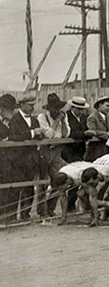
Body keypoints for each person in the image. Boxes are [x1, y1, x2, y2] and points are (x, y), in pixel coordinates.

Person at [7, 94, 45, 222]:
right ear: (22, 105)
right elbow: (13, 136)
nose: (32, 108)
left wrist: (41, 134)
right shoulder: (14, 119)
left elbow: (37, 137)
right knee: (16, 188)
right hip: (18, 159)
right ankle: (11, 216)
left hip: (32, 158)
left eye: (33, 105)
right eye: (30, 105)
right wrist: (33, 133)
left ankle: (25, 214)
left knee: (29, 187)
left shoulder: (34, 120)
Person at [37, 93, 70, 217]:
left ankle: (50, 208)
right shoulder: (42, 117)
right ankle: (41, 211)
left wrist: (62, 120)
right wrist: (57, 120)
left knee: (59, 179)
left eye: (57, 108)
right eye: (53, 108)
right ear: (49, 108)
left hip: (57, 151)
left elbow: (66, 134)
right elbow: (49, 135)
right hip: (44, 151)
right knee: (44, 183)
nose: (55, 110)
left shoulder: (63, 116)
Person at [50, 161, 96, 225]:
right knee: (80, 194)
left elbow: (92, 195)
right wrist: (63, 218)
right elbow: (63, 197)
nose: (61, 190)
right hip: (80, 173)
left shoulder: (79, 176)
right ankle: (96, 210)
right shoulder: (61, 174)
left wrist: (94, 217)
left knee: (84, 194)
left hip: (93, 173)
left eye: (61, 188)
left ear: (67, 181)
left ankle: (97, 213)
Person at [0, 94, 17, 223]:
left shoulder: (8, 122)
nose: (12, 112)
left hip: (6, 159)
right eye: (9, 109)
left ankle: (4, 217)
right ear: (2, 109)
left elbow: (9, 136)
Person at [86, 95, 109, 161]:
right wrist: (107, 134)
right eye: (107, 106)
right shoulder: (92, 117)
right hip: (96, 150)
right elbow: (92, 131)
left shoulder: (108, 117)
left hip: (108, 149)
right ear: (100, 105)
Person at [63, 96, 93, 163]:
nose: (81, 111)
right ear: (73, 107)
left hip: (81, 150)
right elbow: (68, 133)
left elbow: (86, 129)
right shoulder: (66, 116)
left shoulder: (83, 117)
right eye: (79, 109)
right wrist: (84, 134)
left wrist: (89, 134)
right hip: (68, 150)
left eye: (82, 109)